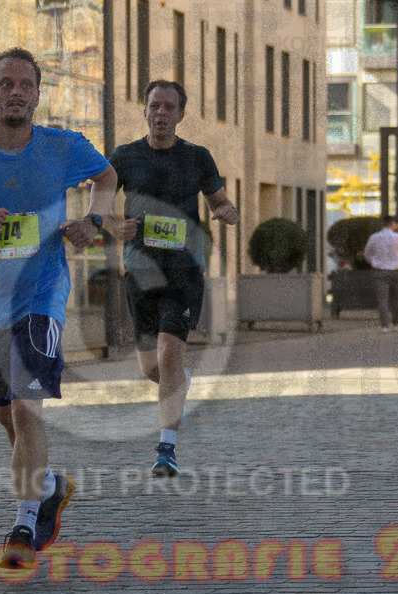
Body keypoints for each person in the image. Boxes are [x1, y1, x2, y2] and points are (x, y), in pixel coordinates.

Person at [0, 48, 132, 568]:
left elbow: (106, 180)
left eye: (25, 85)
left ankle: (22, 523)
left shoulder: (64, 146)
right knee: (7, 414)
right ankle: (50, 485)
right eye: (5, 84)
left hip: (41, 297)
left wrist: (95, 222)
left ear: (37, 95)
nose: (16, 92)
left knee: (24, 405)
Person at [109, 80, 239, 477]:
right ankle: (177, 381)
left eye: (169, 107)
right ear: (145, 111)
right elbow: (99, 208)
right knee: (153, 367)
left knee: (169, 352)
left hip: (184, 270)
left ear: (182, 114)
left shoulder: (197, 157)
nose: (161, 113)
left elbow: (219, 201)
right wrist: (115, 226)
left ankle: (167, 450)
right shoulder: (125, 157)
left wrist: (228, 212)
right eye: (154, 106)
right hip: (140, 271)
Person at [364, 215, 398, 332]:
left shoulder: (374, 237)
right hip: (396, 271)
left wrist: (373, 262)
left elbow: (367, 252)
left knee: (382, 298)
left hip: (380, 270)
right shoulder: (397, 237)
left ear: (383, 224)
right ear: (393, 224)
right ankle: (396, 324)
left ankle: (384, 325)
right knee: (395, 298)